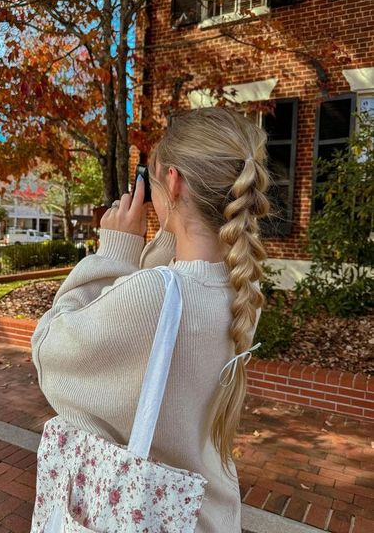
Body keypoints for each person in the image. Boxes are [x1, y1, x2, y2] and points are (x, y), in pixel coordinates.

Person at [31, 106, 270, 532]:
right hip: (210, 516)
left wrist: (116, 249)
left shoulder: (153, 295)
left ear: (173, 181)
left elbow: (48, 350)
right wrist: (167, 234)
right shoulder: (242, 289)